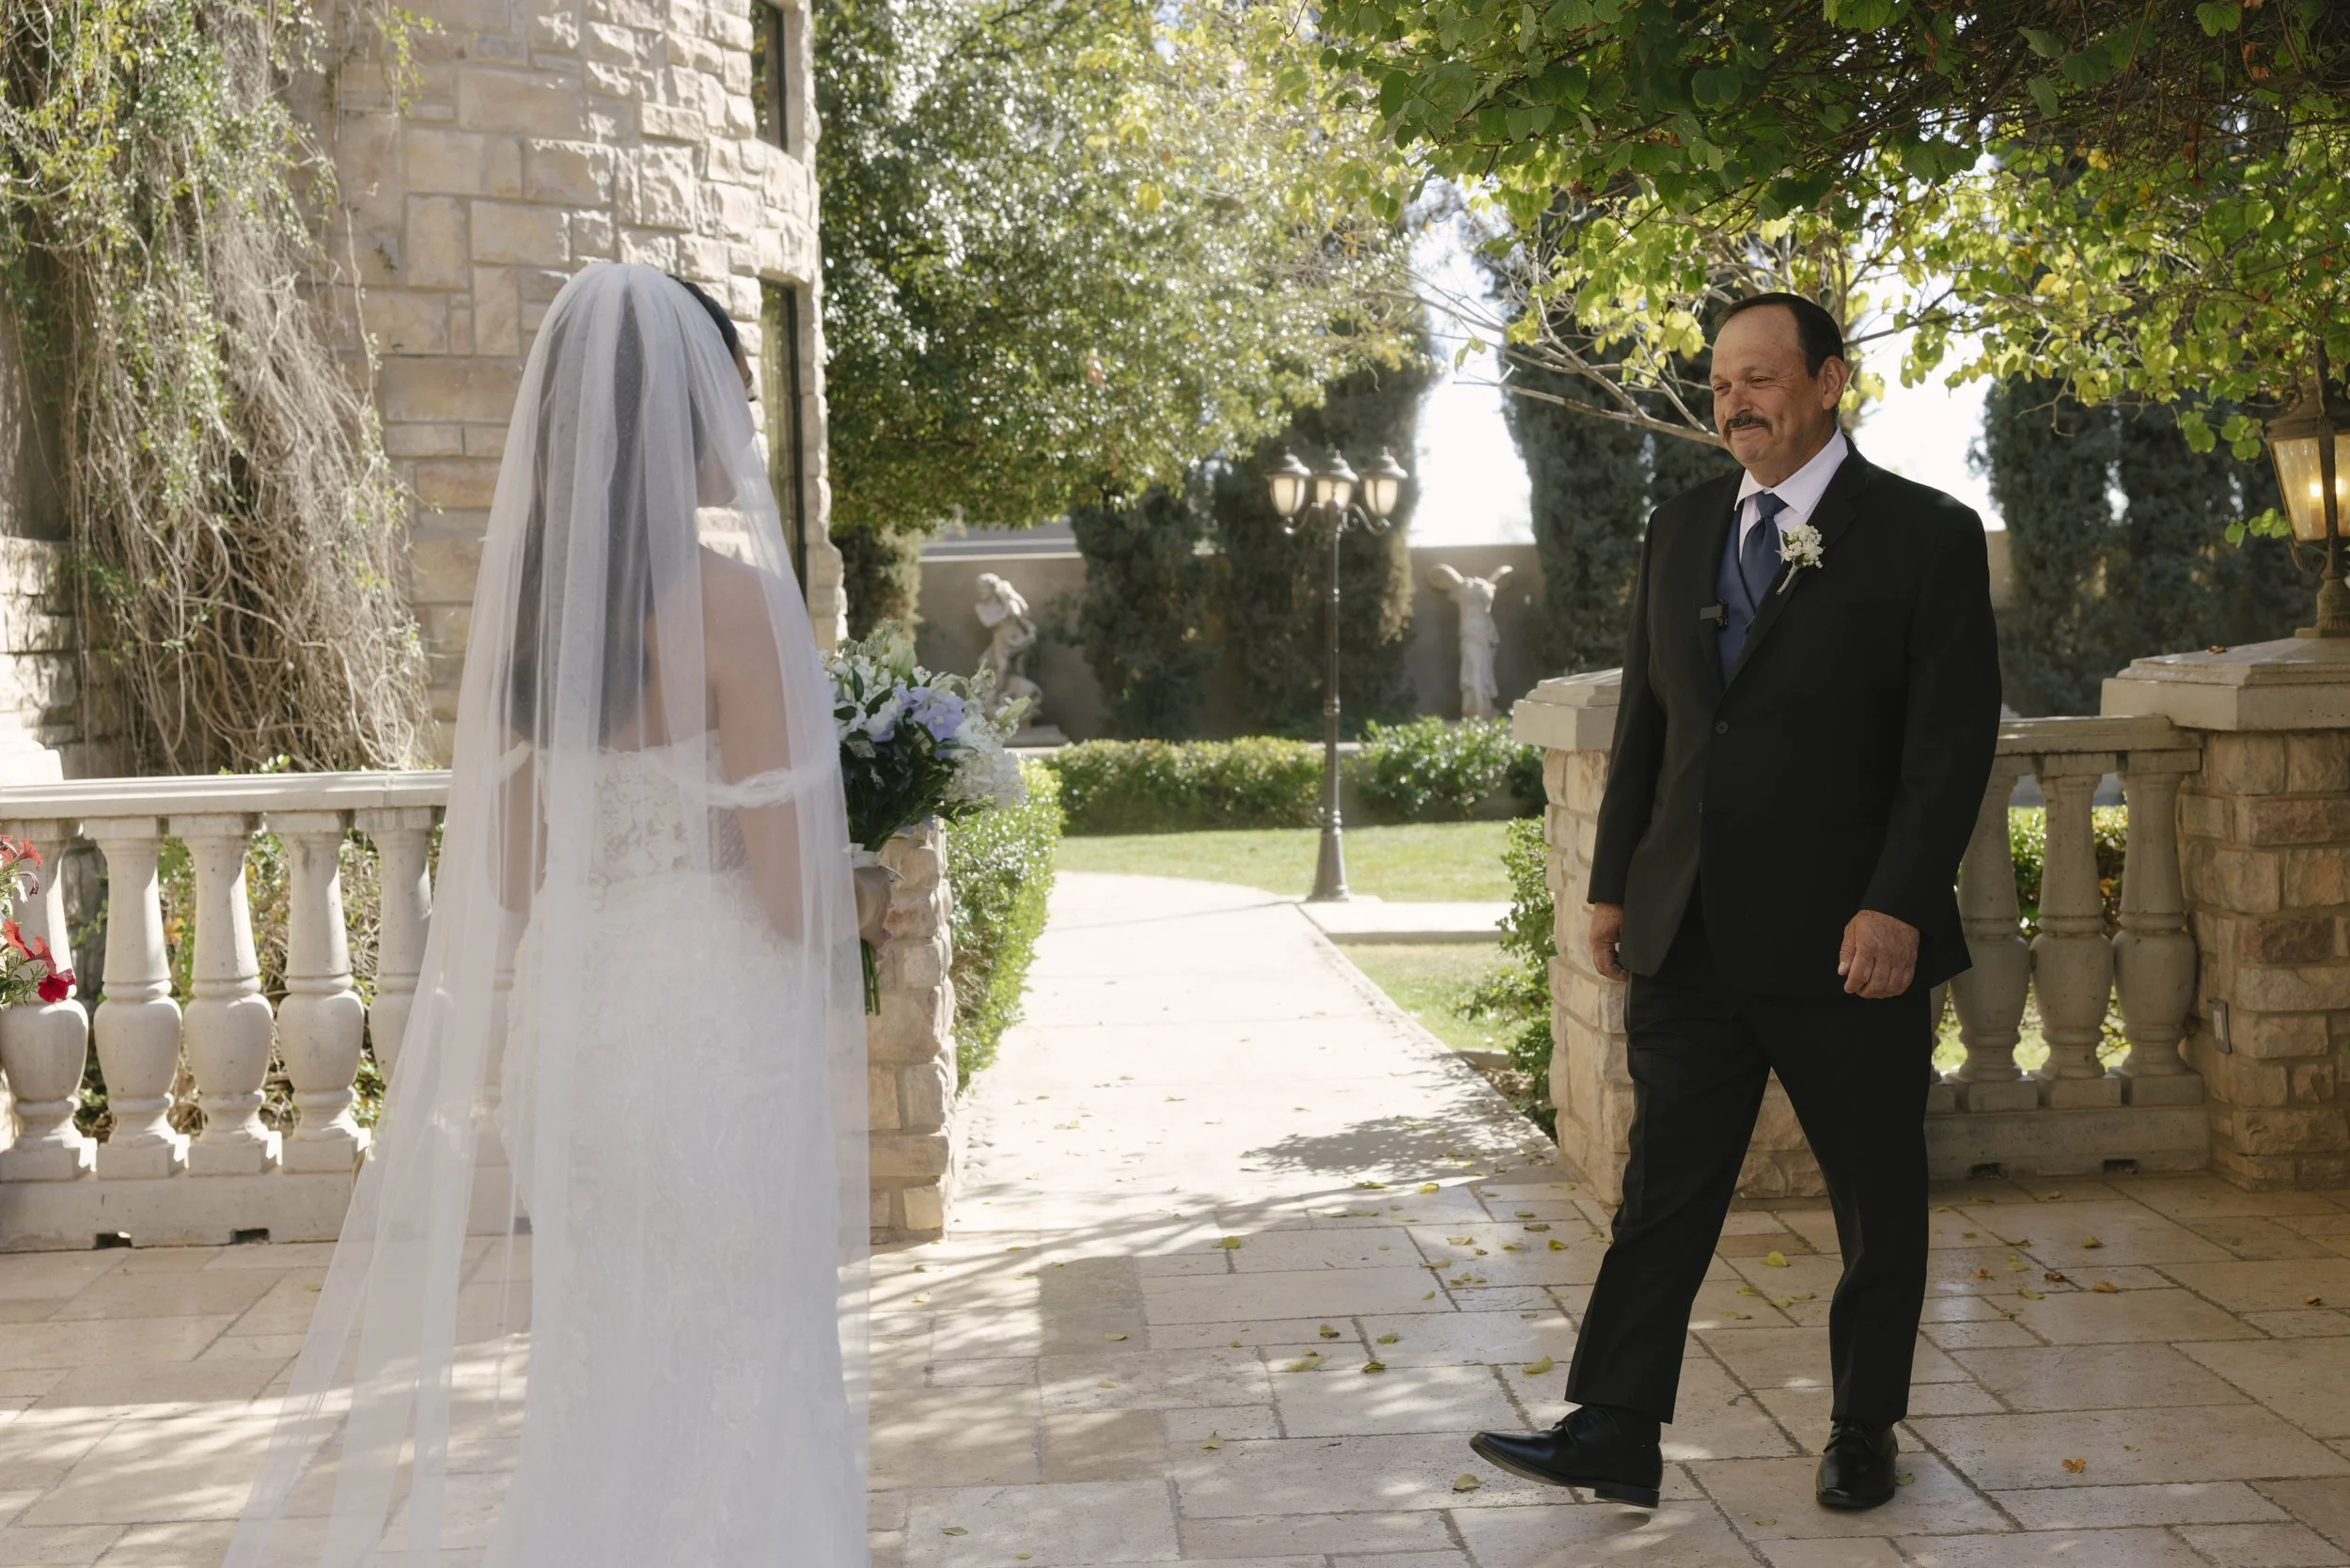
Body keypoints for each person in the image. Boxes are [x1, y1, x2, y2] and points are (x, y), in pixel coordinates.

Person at [227, 263, 886, 1567]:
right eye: (732, 392)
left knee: (607, 1372)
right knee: (746, 1358)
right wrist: (881, 894)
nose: (747, 420)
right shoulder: (743, 607)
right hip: (711, 1039)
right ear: (676, 415)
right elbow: (787, 889)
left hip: (580, 1041)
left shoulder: (539, 622)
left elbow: (518, 877)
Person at [1469, 293, 1999, 1513]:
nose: (1734, 401)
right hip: (1690, 933)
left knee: (1877, 1190)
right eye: (1719, 384)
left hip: (1848, 941)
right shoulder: (1685, 526)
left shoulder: (1926, 536)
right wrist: (1614, 889)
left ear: (1827, 382)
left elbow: (1946, 751)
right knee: (1665, 1190)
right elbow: (1652, 723)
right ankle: (1611, 1427)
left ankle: (1864, 1426)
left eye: (1759, 377)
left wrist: (1897, 906)